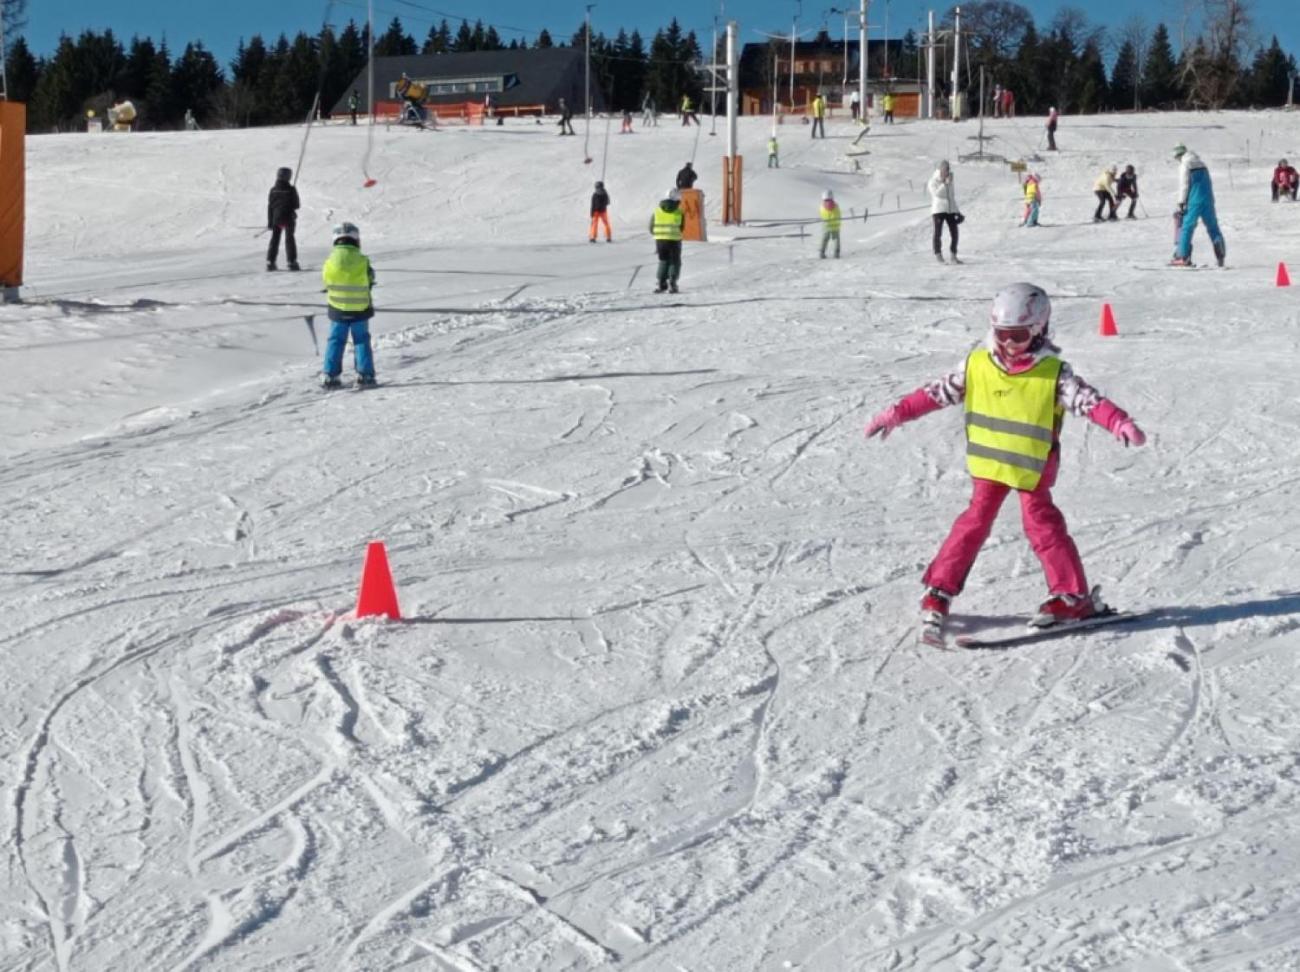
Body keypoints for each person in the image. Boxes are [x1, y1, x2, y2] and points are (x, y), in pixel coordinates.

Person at [864, 282, 1147, 639]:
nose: (1008, 344)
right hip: (989, 466)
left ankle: (1072, 597)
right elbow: (936, 393)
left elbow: (1087, 401)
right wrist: (897, 413)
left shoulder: (1053, 373)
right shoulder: (977, 365)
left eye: (1018, 336)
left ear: (1039, 330)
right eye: (1002, 334)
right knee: (972, 525)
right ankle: (939, 590)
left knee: (1043, 527)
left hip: (1031, 468)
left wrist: (1118, 421)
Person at [320, 221, 377, 388]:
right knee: (361, 340)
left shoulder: (330, 261)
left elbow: (326, 279)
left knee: (336, 340)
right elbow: (370, 278)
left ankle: (330, 375)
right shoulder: (362, 260)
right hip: (360, 308)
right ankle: (365, 375)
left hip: (337, 308)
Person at [1172, 144, 1226, 268]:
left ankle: (1182, 256)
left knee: (1187, 227)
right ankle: (1220, 255)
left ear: (1179, 155)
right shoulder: (1202, 163)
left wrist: (1181, 203)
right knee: (1213, 227)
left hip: (1194, 201)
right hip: (1208, 200)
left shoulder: (1185, 165)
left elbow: (1184, 185)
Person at [649, 188, 684, 293]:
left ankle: (661, 282)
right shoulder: (679, 211)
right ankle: (672, 282)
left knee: (663, 260)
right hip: (674, 240)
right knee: (674, 261)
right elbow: (682, 227)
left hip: (660, 241)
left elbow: (651, 227)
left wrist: (659, 233)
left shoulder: (657, 211)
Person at [266, 166, 300, 272]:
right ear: (288, 177)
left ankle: (270, 262)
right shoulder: (291, 189)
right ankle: (291, 262)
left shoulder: (273, 190)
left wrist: (270, 222)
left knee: (275, 239)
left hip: (276, 219)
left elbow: (270, 206)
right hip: (288, 218)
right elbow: (297, 205)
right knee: (289, 239)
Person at [928, 159, 962, 264]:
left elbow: (951, 197)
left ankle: (953, 255)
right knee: (938, 233)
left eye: (947, 169)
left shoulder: (950, 181)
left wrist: (957, 212)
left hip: (950, 210)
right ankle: (938, 254)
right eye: (944, 169)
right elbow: (937, 194)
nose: (946, 172)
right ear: (940, 170)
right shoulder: (933, 181)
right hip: (938, 210)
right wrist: (945, 184)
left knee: (955, 233)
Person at [819, 189, 841, 259]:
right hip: (835, 225)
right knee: (836, 239)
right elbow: (839, 214)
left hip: (826, 225)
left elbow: (822, 215)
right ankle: (836, 253)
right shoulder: (836, 205)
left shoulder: (822, 206)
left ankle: (822, 252)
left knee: (825, 239)